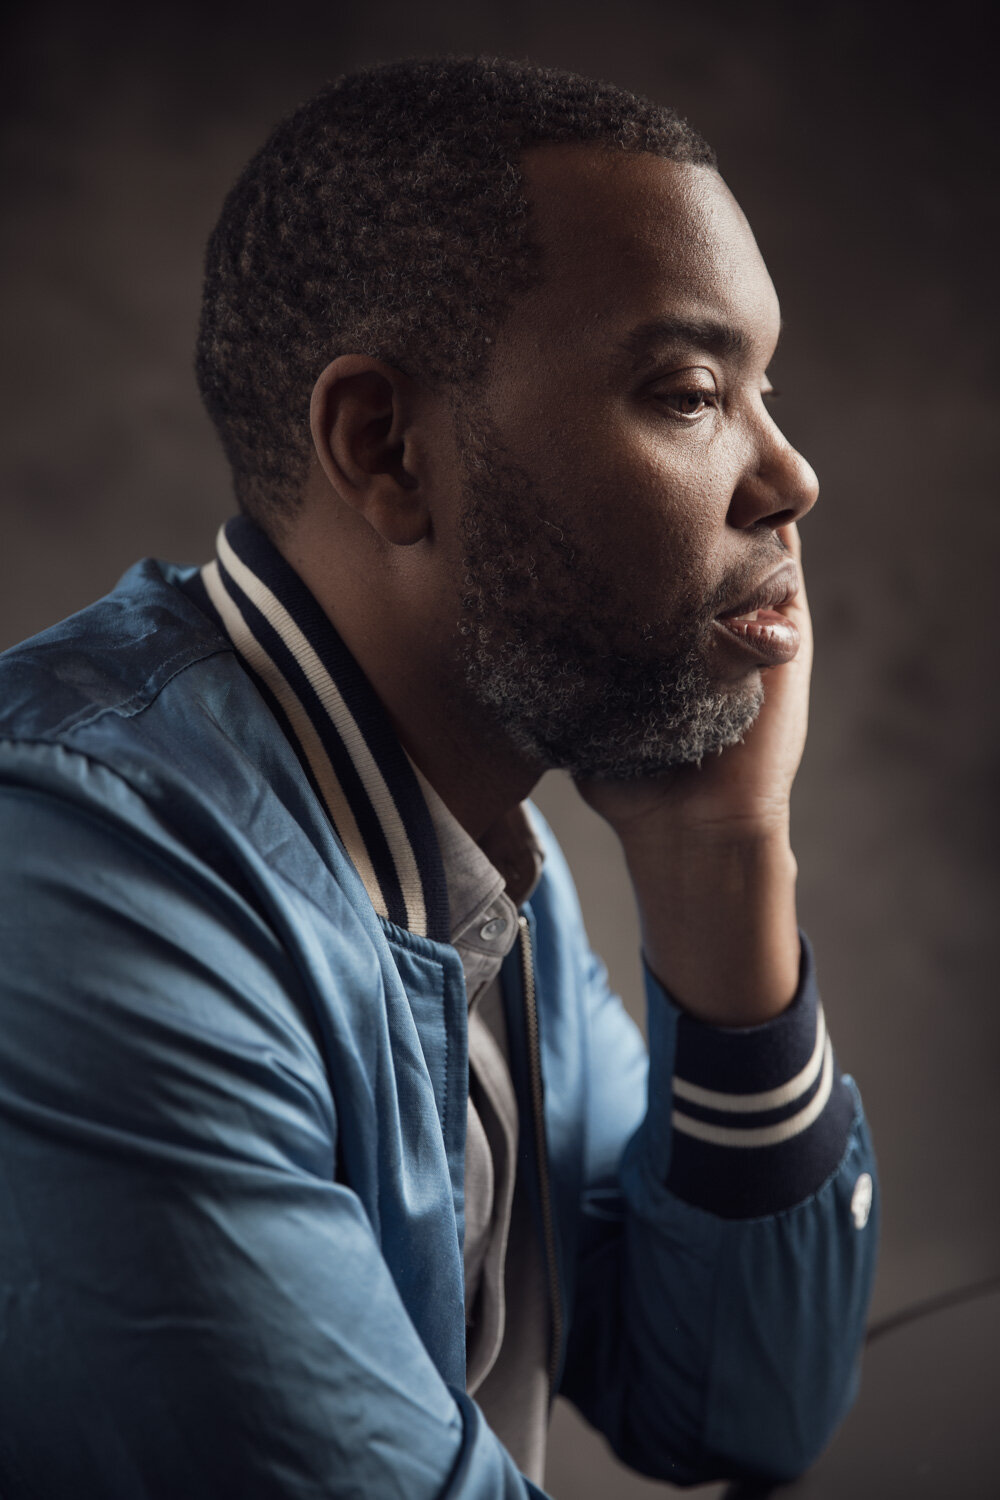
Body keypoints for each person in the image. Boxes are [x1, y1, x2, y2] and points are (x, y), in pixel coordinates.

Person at [0, 56, 878, 1499]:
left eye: (765, 389)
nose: (791, 476)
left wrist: (727, 855)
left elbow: (737, 1407)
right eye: (691, 392)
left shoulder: (473, 845)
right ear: (384, 447)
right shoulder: (73, 874)